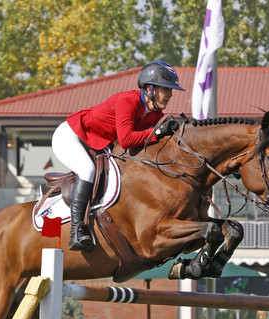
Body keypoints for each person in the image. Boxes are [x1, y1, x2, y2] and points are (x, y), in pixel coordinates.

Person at [51, 60, 185, 251]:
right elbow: (127, 140)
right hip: (71, 136)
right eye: (166, 89)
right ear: (149, 88)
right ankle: (76, 231)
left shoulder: (154, 113)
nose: (171, 94)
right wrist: (157, 133)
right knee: (87, 170)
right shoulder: (127, 101)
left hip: (97, 143)